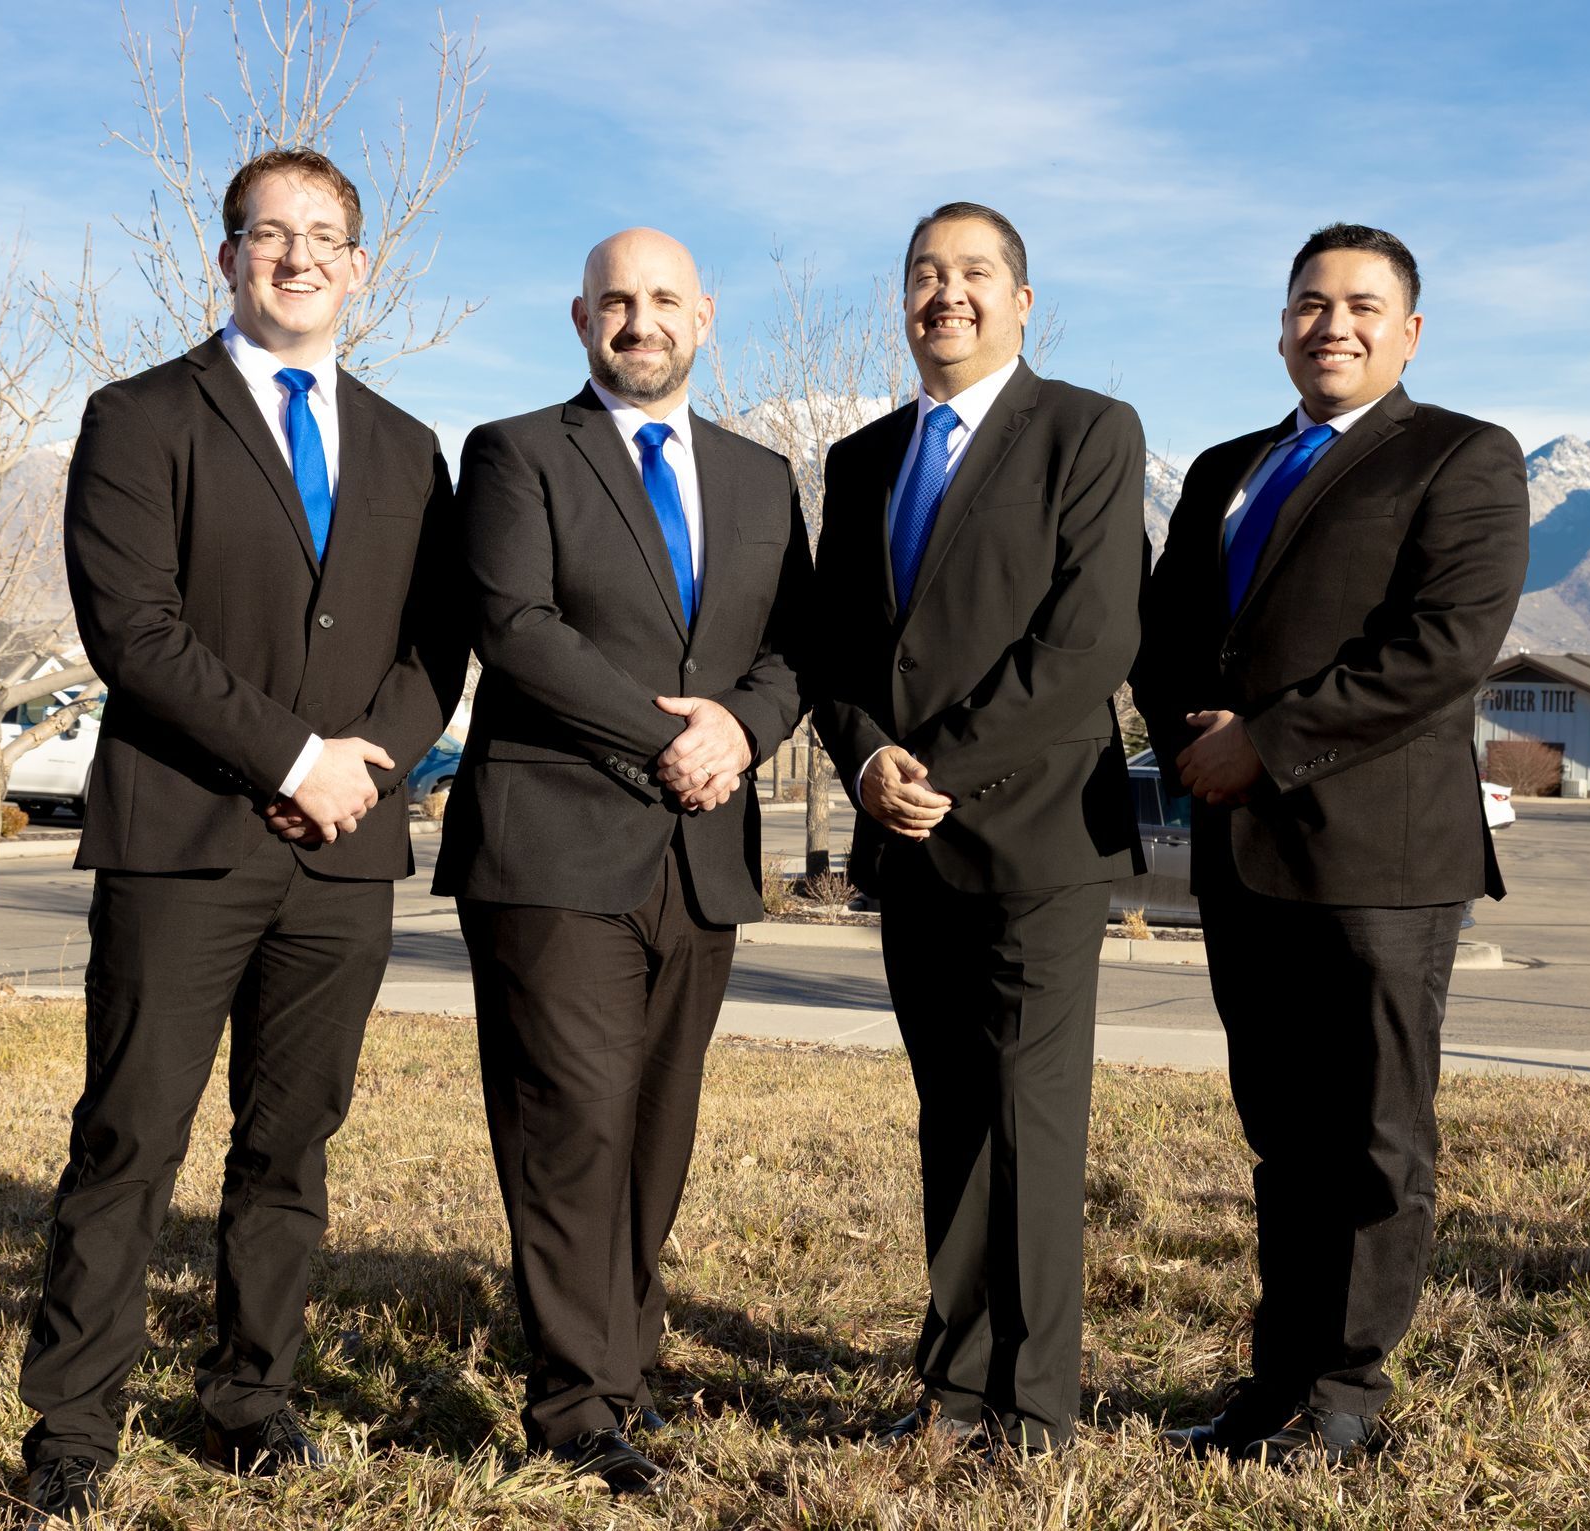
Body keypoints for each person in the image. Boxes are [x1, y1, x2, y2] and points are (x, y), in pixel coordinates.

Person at [18, 148, 466, 1526]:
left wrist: (365, 766)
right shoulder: (140, 416)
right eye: (270, 235)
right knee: (129, 1135)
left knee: (292, 1144)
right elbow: (134, 628)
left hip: (341, 856)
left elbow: (435, 640)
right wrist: (292, 755)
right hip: (184, 837)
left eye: (325, 236)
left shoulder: (408, 445)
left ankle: (249, 1395)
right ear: (227, 257)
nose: (299, 257)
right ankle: (72, 1432)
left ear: (361, 264)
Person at [1136, 223, 1529, 1467]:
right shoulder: (1223, 468)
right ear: (1283, 323)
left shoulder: (1461, 456)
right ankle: (1277, 1379)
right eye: (1312, 302)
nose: (1334, 324)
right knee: (1283, 1131)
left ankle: (1347, 1395)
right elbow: (1160, 639)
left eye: (1364, 304)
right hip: (1243, 846)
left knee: (1372, 1133)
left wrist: (1267, 740)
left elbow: (1440, 649)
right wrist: (1194, 740)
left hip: (1382, 855)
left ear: (1410, 331)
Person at [434, 227, 811, 1496]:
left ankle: (623, 1368)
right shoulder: (518, 453)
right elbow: (516, 627)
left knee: (657, 1126)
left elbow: (795, 651)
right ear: (579, 317)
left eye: (661, 300)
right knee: (569, 1125)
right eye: (614, 302)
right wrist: (673, 737)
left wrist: (744, 731)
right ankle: (576, 1401)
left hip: (701, 852)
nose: (637, 321)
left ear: (704, 315)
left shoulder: (764, 479)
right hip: (554, 842)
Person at [810, 202, 1148, 1454]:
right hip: (907, 837)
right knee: (950, 1116)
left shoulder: (1088, 432)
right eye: (921, 274)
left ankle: (1035, 1405)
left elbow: (1091, 638)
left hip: (1036, 834)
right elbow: (836, 649)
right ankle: (953, 1392)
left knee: (1031, 1120)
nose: (943, 294)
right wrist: (865, 758)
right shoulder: (860, 458)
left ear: (1021, 300)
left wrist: (937, 764)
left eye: (972, 274)